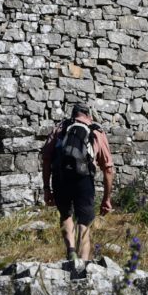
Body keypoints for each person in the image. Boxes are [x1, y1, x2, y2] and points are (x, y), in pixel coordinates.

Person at [40, 103, 115, 261]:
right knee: (84, 222)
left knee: (66, 215)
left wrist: (47, 188)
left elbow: (46, 160)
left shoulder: (60, 128)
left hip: (60, 177)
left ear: (73, 114)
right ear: (89, 115)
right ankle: (82, 264)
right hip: (84, 179)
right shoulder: (96, 131)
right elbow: (108, 169)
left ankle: (71, 251)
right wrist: (106, 199)